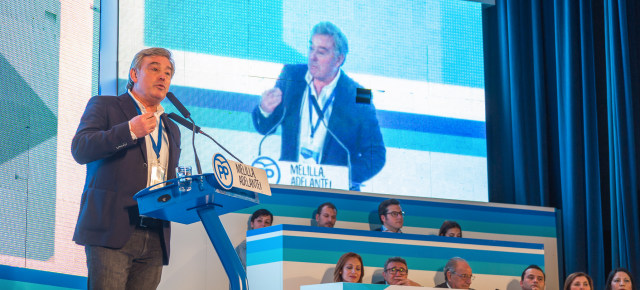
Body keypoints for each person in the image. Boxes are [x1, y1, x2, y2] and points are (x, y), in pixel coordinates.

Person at [71, 47, 181, 289]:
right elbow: (80, 148)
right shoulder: (106, 106)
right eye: (154, 69)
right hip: (113, 228)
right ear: (134, 74)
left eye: (168, 73)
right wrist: (129, 130)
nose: (163, 76)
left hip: (155, 233)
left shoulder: (172, 128)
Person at [252, 21, 386, 190]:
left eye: (321, 52)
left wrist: (343, 178)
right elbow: (265, 128)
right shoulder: (291, 75)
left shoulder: (360, 95)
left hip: (334, 196)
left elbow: (376, 154)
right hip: (290, 186)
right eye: (311, 48)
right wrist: (265, 110)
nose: (312, 57)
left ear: (338, 59)